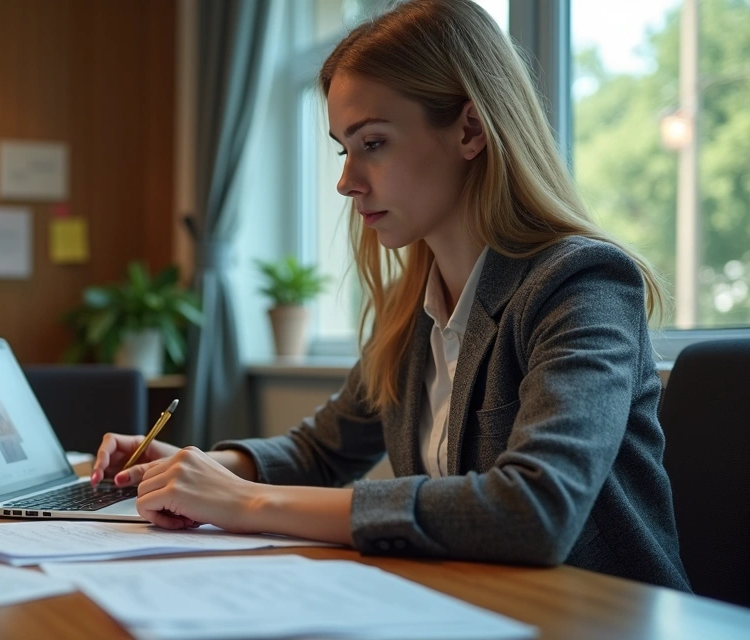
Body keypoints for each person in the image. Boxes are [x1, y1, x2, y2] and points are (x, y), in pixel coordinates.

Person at [90, 0, 690, 591]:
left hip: (600, 617)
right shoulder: (413, 310)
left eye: (372, 143)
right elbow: (321, 452)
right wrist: (198, 469)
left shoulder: (580, 282)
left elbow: (534, 510)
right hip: (473, 608)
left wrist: (248, 502)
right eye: (342, 149)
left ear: (470, 130)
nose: (346, 181)